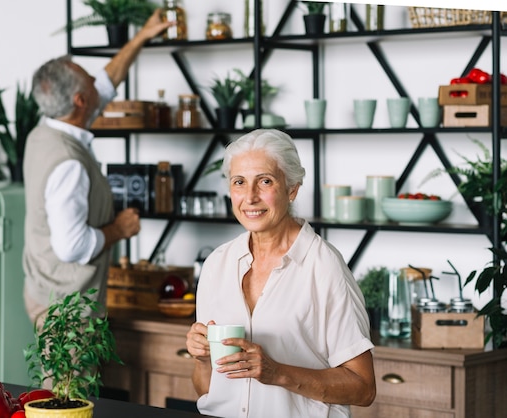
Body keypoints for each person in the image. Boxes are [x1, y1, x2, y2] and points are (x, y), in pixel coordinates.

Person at [185, 129, 376, 417]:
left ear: (292, 189)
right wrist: (202, 360)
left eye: (265, 181)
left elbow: (363, 388)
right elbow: (206, 390)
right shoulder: (216, 264)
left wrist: (278, 373)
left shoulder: (324, 267)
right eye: (239, 182)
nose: (250, 197)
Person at [22, 10, 172, 326]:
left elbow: (105, 83)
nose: (94, 78)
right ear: (79, 100)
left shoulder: (44, 130)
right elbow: (72, 246)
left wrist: (143, 35)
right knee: (68, 379)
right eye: (87, 77)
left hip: (44, 292)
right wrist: (119, 229)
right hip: (68, 311)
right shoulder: (69, 164)